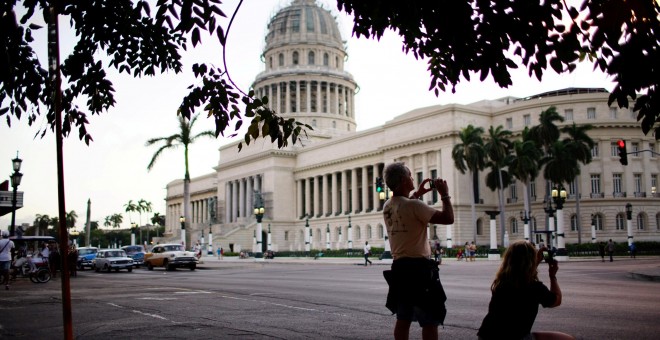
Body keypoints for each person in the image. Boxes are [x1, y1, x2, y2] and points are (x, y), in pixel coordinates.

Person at [382, 162, 454, 340]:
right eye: (410, 175)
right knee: (429, 319)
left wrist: (418, 194)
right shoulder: (415, 206)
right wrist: (444, 194)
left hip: (399, 268)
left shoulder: (388, 206)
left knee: (403, 318)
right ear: (403, 179)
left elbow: (403, 204)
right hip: (419, 270)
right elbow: (448, 218)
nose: (413, 178)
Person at [477, 241, 574, 340]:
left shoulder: (501, 282)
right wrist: (552, 276)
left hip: (486, 336)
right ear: (530, 262)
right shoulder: (534, 287)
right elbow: (556, 300)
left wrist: (535, 262)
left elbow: (520, 275)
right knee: (567, 338)